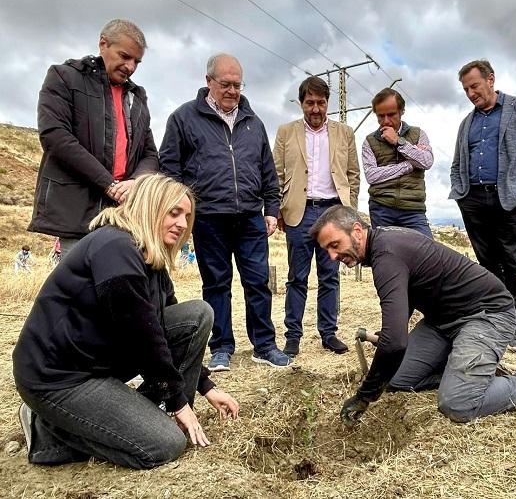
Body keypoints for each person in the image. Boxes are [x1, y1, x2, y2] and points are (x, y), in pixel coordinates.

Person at [13, 174, 239, 469]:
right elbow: (142, 337)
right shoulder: (115, 247)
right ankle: (47, 431)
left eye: (187, 216)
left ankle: (142, 415)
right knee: (165, 444)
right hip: (58, 379)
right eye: (174, 213)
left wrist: (207, 386)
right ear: (150, 207)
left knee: (198, 314)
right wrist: (178, 402)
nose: (183, 224)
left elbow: (164, 333)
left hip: (97, 361)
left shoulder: (149, 254)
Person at [309, 206, 516, 425]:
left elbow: (396, 342)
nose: (332, 256)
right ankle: (471, 372)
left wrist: (365, 395)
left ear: (356, 230)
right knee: (396, 379)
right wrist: (388, 339)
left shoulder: (386, 253)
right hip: (441, 322)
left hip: (486, 315)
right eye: (327, 250)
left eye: (335, 245)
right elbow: (402, 305)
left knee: (458, 403)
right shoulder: (383, 245)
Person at [159, 53, 291, 371]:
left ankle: (264, 345)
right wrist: (180, 212)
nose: (233, 91)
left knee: (258, 282)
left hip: (249, 217)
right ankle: (221, 347)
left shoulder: (254, 123)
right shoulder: (183, 118)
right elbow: (169, 167)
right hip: (207, 218)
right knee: (216, 283)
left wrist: (271, 209)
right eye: (226, 84)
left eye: (237, 84)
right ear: (208, 82)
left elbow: (267, 172)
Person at [28, 19, 159, 257]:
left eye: (136, 62)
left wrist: (136, 183)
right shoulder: (64, 77)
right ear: (103, 44)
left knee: (120, 285)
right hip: (77, 212)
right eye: (124, 56)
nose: (130, 66)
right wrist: (108, 184)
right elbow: (55, 136)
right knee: (77, 288)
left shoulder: (137, 96)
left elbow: (150, 152)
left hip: (125, 212)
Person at [449, 60, 516, 352]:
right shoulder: (466, 122)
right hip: (474, 200)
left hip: (509, 199)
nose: (470, 93)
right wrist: (461, 193)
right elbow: (458, 164)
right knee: (487, 263)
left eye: (475, 86)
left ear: (490, 80)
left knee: (512, 260)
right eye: (466, 89)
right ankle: (497, 319)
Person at [273, 76, 360, 357]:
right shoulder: (286, 132)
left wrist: (349, 209)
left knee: (330, 276)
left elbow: (353, 175)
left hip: (333, 212)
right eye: (310, 103)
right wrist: (279, 209)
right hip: (299, 212)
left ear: (327, 104)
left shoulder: (344, 133)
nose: (315, 109)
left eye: (321, 103)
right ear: (301, 103)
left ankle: (328, 333)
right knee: (297, 277)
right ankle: (293, 336)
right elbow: (276, 174)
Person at [361, 88, 434, 238]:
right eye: (380, 116)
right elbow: (371, 176)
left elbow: (427, 161)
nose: (386, 121)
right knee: (386, 256)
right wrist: (409, 164)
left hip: (413, 209)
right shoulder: (369, 141)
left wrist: (399, 142)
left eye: (391, 114)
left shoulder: (418, 134)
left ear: (402, 111)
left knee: (429, 254)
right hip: (381, 208)